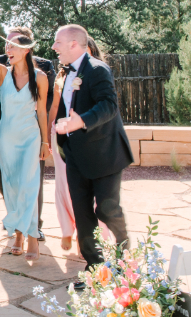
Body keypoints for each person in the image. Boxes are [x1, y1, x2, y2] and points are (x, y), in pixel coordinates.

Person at [52, 24, 133, 280]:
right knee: (83, 213)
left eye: (58, 43)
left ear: (74, 44)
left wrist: (81, 121)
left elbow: (108, 105)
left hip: (104, 154)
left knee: (107, 210)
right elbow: (69, 106)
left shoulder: (98, 69)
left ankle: (124, 257)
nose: (54, 47)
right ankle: (95, 268)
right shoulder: (66, 73)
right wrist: (65, 125)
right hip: (76, 155)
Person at [0, 19, 50, 260]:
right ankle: (18, 234)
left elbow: (41, 111)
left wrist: (45, 141)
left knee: (29, 187)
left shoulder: (40, 77)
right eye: (6, 45)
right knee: (13, 188)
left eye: (13, 45)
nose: (8, 49)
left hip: (30, 138)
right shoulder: (2, 73)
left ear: (27, 49)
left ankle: (31, 238)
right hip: (7, 139)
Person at [48, 45, 110, 253]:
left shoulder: (100, 73)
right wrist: (48, 134)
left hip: (93, 139)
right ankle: (67, 229)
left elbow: (106, 108)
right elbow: (55, 107)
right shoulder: (63, 75)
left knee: (96, 191)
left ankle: (98, 236)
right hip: (63, 135)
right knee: (63, 185)